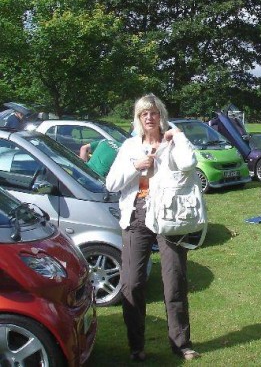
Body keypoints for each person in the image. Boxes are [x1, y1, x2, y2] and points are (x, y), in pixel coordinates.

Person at [105, 94, 201, 362]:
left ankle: (181, 343)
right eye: (143, 114)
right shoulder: (129, 147)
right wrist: (135, 167)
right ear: (138, 119)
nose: (149, 117)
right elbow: (111, 184)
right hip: (136, 216)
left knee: (175, 283)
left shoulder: (173, 143)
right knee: (132, 283)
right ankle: (136, 345)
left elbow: (189, 163)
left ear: (161, 115)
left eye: (154, 113)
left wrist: (178, 135)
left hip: (171, 217)